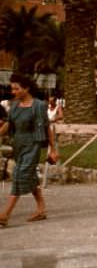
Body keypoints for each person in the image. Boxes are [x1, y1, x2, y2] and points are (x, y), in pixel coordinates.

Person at [0, 73, 59, 227]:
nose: (13, 92)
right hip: (18, 145)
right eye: (12, 89)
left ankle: (4, 215)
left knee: (20, 175)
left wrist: (53, 149)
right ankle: (41, 209)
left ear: (26, 88)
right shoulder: (13, 106)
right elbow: (9, 125)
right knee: (29, 176)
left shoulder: (38, 106)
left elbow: (46, 128)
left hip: (32, 145)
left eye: (16, 89)